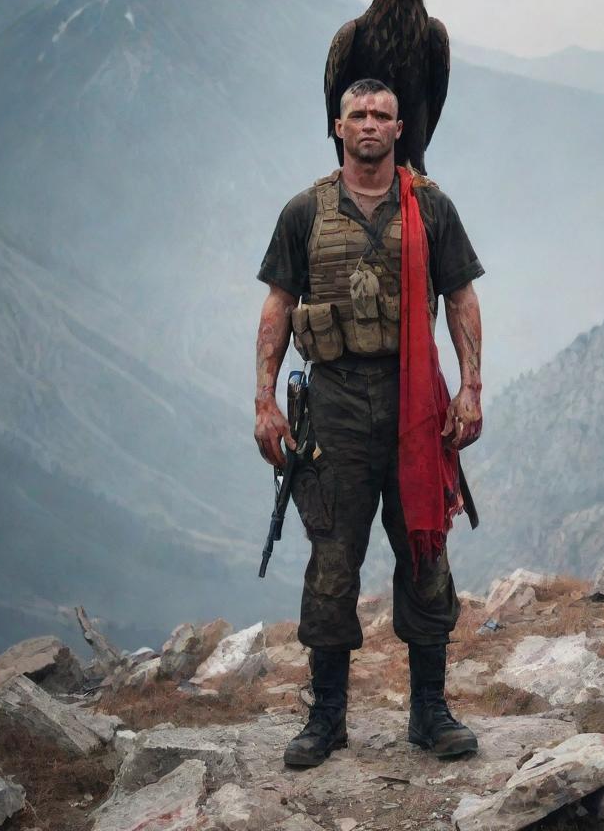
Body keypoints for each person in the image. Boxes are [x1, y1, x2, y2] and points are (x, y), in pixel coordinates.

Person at [254, 78, 484, 767]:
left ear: (400, 129)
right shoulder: (304, 213)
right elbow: (277, 306)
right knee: (332, 563)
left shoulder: (431, 208)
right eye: (358, 114)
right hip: (334, 407)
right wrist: (264, 399)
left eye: (383, 114)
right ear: (338, 125)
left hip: (415, 405)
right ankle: (326, 720)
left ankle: (430, 713)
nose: (370, 125)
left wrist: (471, 387)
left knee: (425, 552)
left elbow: (462, 298)